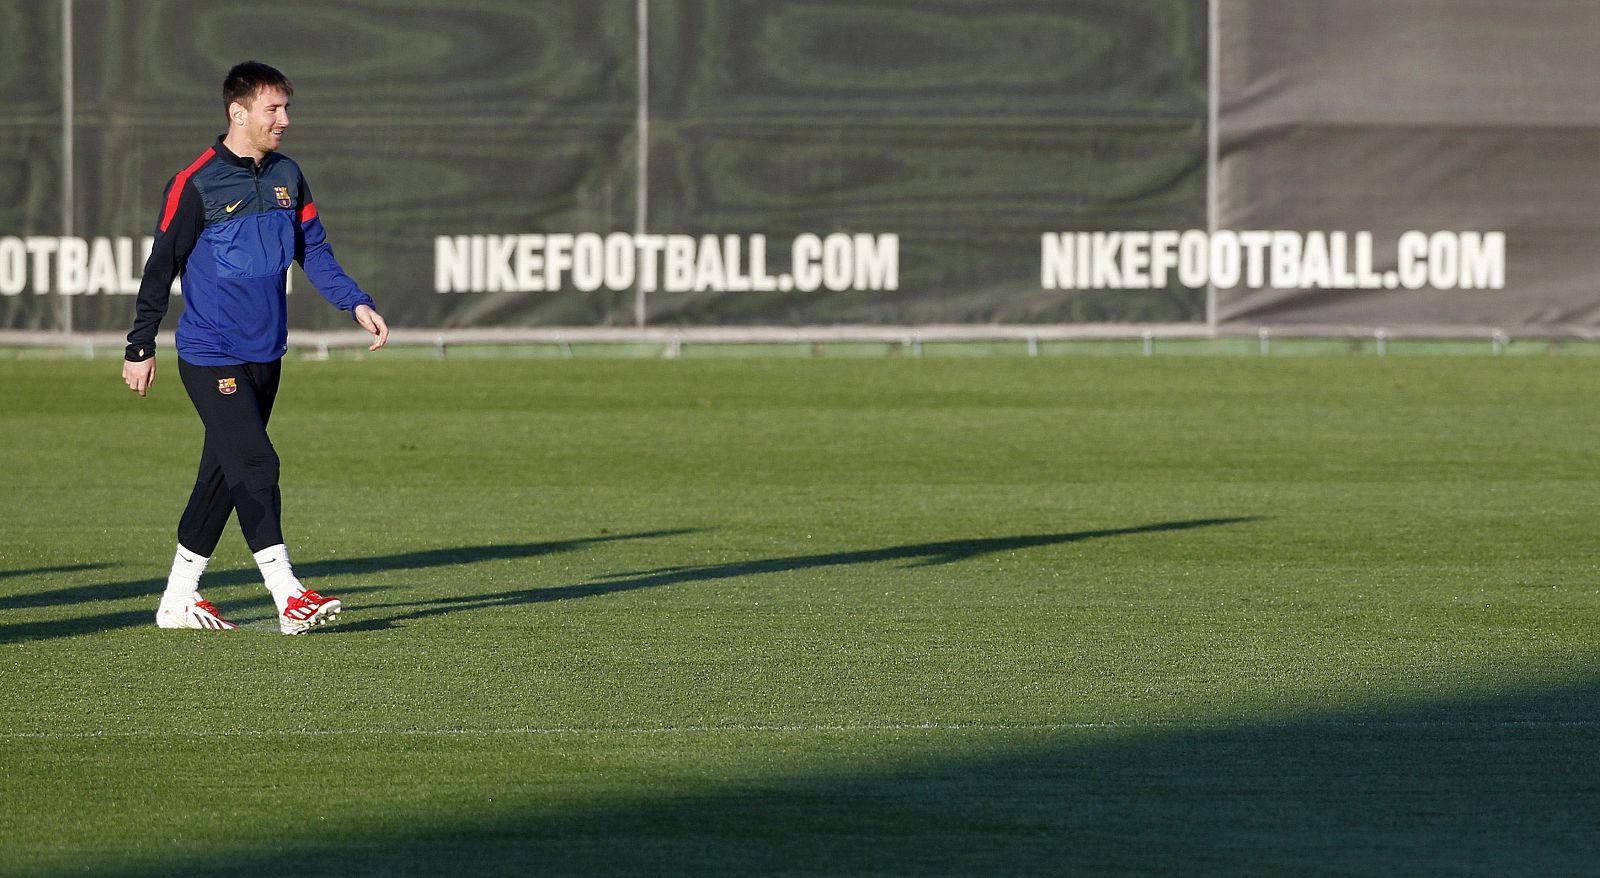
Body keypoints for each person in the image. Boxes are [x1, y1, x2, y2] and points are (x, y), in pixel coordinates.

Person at [122, 60, 388, 634]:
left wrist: (354, 302)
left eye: (286, 108)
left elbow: (312, 248)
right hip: (210, 351)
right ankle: (288, 594)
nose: (285, 120)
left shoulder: (289, 174)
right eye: (273, 109)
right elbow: (160, 264)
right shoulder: (195, 181)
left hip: (267, 352)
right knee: (259, 463)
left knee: (222, 475)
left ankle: (177, 600)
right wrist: (140, 346)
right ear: (237, 112)